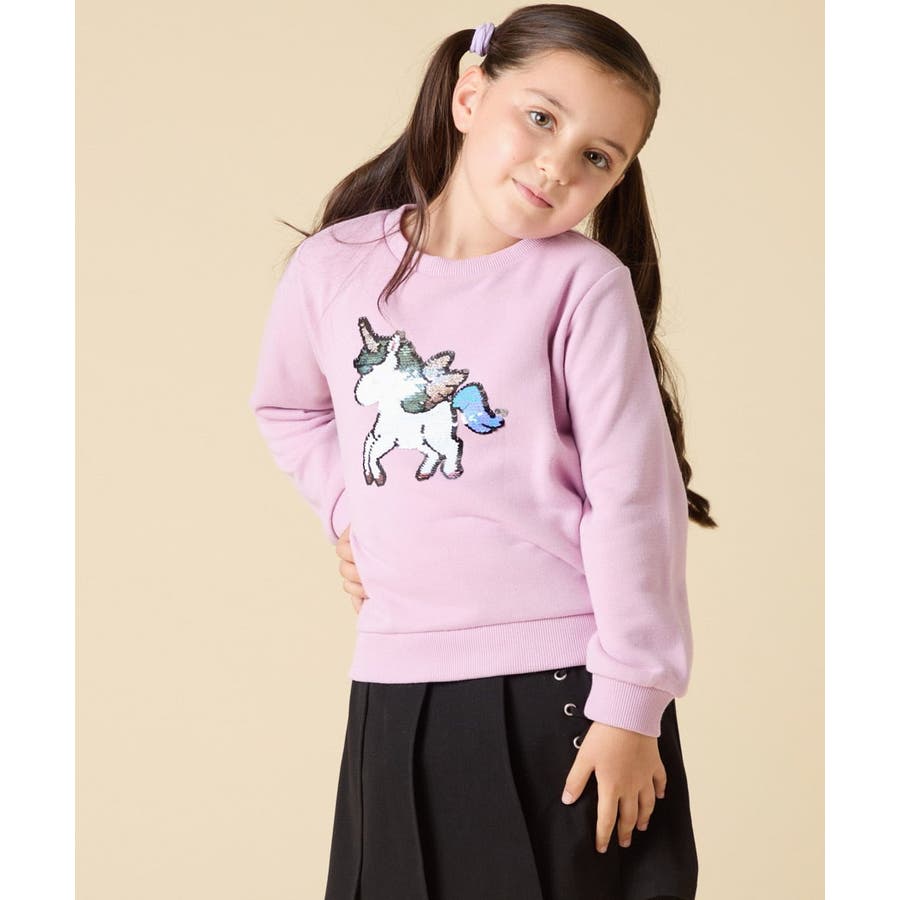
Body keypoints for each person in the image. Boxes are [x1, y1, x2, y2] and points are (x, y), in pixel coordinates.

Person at [248, 5, 717, 898]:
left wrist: (630, 703)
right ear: (469, 95)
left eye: (598, 157)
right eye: (541, 118)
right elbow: (289, 407)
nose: (557, 164)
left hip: (564, 687)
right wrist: (351, 511)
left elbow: (633, 500)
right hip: (397, 679)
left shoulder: (583, 285)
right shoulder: (335, 268)